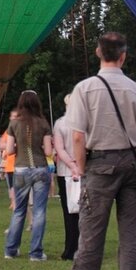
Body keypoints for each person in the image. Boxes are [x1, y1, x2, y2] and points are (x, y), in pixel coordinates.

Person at [49, 32, 136, 270]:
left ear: (98, 52)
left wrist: (81, 169)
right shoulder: (135, 89)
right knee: (129, 238)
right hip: (131, 165)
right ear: (123, 56)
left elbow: (77, 135)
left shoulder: (85, 89)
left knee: (91, 238)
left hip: (99, 165)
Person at [3, 90, 53, 261]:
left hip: (21, 170)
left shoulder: (14, 124)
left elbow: (9, 150)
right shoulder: (44, 123)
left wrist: (20, 149)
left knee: (19, 210)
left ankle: (11, 250)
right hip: (40, 169)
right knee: (39, 211)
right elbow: (48, 151)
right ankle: (36, 253)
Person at [52, 95, 81, 261]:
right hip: (83, 170)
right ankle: (84, 247)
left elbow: (59, 149)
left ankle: (70, 249)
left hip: (65, 171)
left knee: (69, 211)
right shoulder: (85, 122)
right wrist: (78, 164)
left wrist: (70, 164)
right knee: (85, 212)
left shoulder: (60, 123)